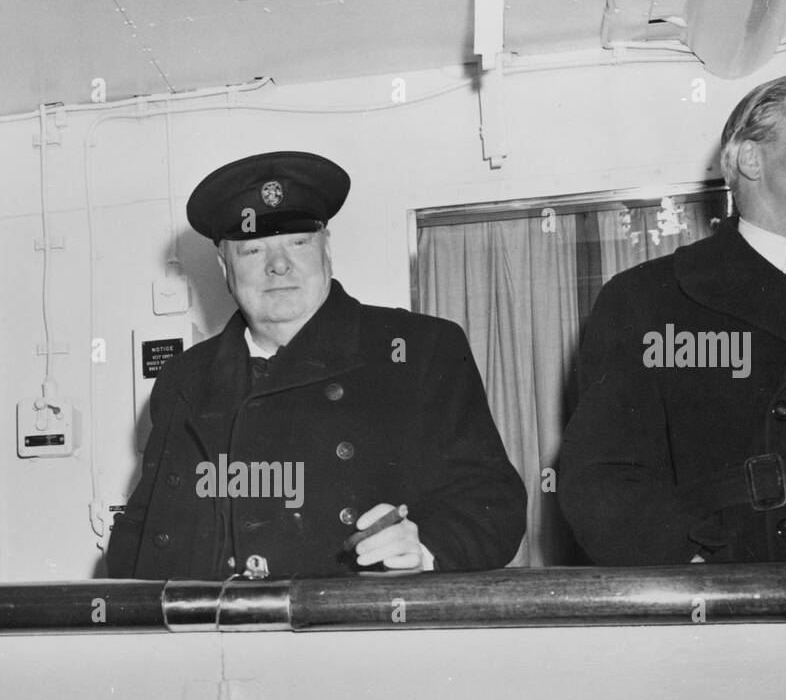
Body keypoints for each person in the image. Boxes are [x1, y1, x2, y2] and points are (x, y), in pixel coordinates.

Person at [106, 151, 526, 579]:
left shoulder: (418, 349)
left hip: (357, 632)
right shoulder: (185, 378)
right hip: (216, 635)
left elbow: (493, 506)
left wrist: (423, 546)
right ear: (223, 267)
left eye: (298, 242)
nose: (279, 264)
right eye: (253, 249)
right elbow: (144, 532)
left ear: (327, 246)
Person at [559, 73, 786, 564]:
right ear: (751, 157)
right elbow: (605, 473)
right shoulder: (648, 298)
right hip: (738, 585)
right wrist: (688, 572)